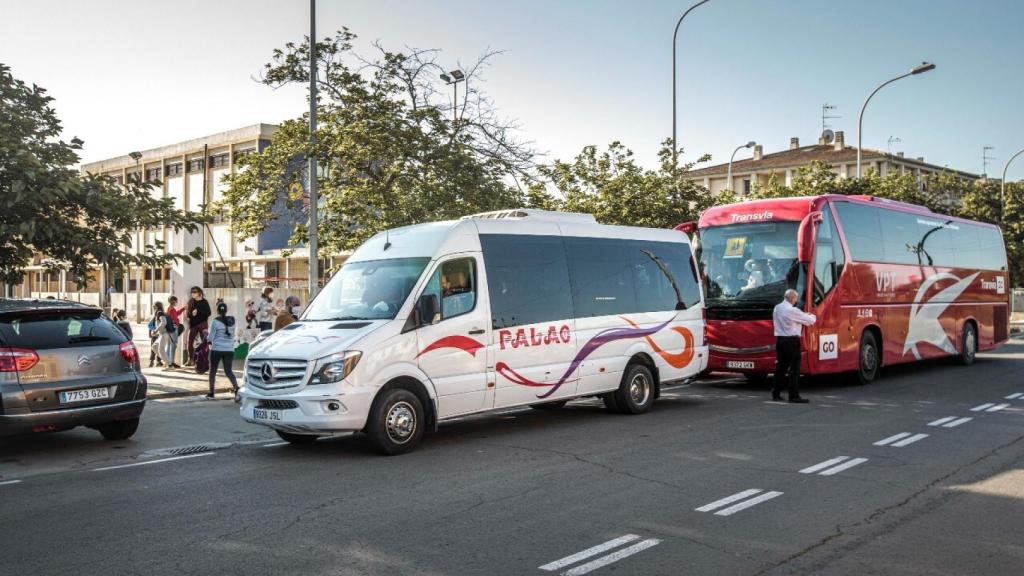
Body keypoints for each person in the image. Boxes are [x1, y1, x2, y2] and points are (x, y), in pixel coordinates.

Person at [772, 288, 817, 403]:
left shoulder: (777, 308)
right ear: (792, 298)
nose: (796, 300)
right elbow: (810, 321)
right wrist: (811, 315)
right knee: (794, 370)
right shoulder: (792, 310)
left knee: (780, 369)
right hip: (792, 341)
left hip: (780, 340)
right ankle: (793, 396)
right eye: (795, 298)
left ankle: (776, 393)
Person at [206, 301, 239, 401]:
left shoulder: (215, 321)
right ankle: (237, 389)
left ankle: (211, 393)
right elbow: (233, 335)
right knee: (228, 371)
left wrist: (206, 336)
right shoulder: (233, 320)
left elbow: (210, 337)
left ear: (217, 311)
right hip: (229, 350)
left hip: (216, 349)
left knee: (213, 371)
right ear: (226, 309)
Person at [186, 286, 211, 366]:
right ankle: (190, 359)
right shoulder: (191, 301)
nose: (193, 293)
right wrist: (190, 315)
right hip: (193, 325)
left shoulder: (204, 302)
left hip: (203, 324)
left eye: (194, 292)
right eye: (192, 292)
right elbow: (188, 313)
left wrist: (198, 311)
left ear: (199, 293)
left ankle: (205, 360)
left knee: (205, 342)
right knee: (189, 342)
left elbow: (208, 313)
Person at [150, 301, 173, 369]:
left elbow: (163, 322)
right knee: (154, 347)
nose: (153, 308)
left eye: (153, 306)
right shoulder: (159, 313)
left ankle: (169, 365)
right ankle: (167, 362)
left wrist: (155, 330)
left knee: (161, 350)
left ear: (156, 307)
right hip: (161, 334)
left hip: (164, 334)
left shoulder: (159, 313)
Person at [165, 296, 183, 369]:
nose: (176, 302)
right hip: (173, 328)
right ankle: (171, 362)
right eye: (176, 301)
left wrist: (183, 309)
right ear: (173, 301)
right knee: (173, 345)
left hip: (171, 328)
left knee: (169, 345)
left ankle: (169, 362)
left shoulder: (171, 309)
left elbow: (176, 314)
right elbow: (170, 318)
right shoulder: (170, 309)